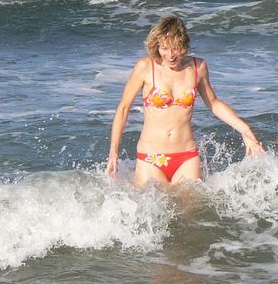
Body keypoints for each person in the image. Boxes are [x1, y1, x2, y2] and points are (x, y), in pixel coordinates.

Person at [106, 16, 263, 186]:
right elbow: (123, 109)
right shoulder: (146, 67)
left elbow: (214, 103)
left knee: (190, 211)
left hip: (186, 156)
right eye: (164, 48)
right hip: (150, 157)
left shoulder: (198, 67)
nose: (170, 55)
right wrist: (113, 153)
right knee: (152, 210)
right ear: (156, 46)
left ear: (184, 45)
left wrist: (245, 131)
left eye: (176, 48)